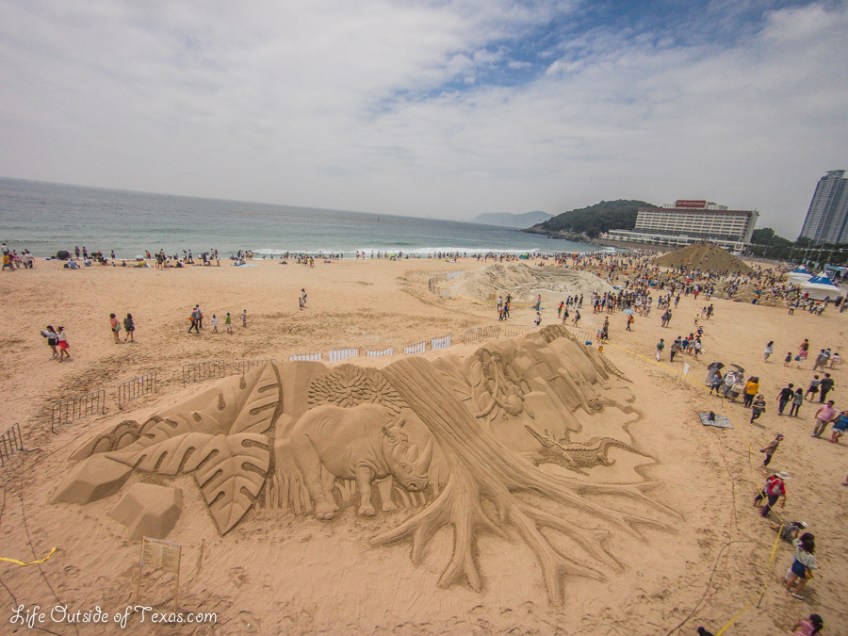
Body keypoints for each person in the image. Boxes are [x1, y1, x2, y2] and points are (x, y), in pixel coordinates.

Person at [784, 533, 816, 599]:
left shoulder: (798, 547)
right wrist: (815, 567)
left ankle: (786, 588)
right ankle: (795, 593)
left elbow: (794, 541)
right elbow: (810, 565)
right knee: (802, 582)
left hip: (796, 564)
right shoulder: (811, 556)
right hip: (802, 568)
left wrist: (800, 538)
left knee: (793, 577)